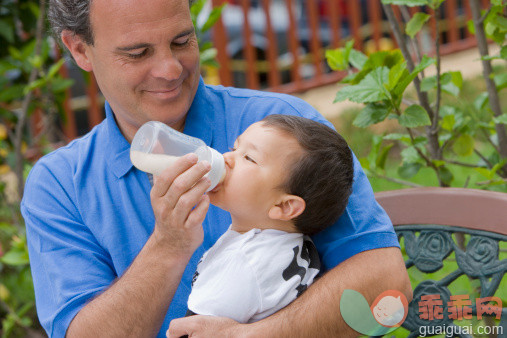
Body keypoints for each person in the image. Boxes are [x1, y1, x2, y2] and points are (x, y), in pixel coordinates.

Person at [21, 0, 411, 337]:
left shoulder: (282, 129)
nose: (171, 69)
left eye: (181, 41)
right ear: (79, 50)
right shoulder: (60, 185)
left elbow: (386, 284)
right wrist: (168, 246)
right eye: (138, 53)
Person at [185, 114, 354, 324]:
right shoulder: (294, 245)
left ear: (284, 206)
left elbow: (193, 330)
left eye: (249, 158)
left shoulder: (242, 264)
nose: (225, 158)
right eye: (233, 149)